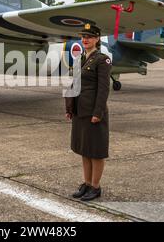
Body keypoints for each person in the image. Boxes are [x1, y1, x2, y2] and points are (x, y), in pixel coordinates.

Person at [65, 24, 112, 202]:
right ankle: (86, 183)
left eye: (90, 37)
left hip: (93, 112)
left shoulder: (102, 60)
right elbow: (74, 84)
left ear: (97, 39)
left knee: (96, 152)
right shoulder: (80, 58)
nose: (85, 39)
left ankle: (96, 186)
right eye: (83, 36)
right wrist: (70, 108)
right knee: (84, 150)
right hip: (80, 112)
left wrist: (98, 113)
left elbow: (103, 90)